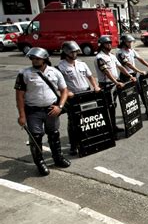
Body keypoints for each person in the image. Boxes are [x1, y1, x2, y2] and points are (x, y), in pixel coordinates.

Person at [14, 47, 71, 176]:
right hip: (33, 111)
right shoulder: (24, 74)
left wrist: (60, 107)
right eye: (32, 58)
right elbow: (19, 96)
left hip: (52, 109)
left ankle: (58, 158)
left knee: (54, 134)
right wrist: (21, 116)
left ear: (45, 58)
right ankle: (40, 163)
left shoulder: (55, 72)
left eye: (37, 58)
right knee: (36, 137)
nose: (34, 61)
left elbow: (64, 91)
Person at [57, 41, 101, 155]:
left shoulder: (82, 64)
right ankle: (74, 145)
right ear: (66, 52)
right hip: (73, 97)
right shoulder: (60, 67)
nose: (75, 54)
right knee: (73, 121)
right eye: (72, 52)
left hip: (86, 93)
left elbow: (90, 77)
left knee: (89, 118)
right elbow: (58, 85)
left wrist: (95, 86)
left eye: (76, 51)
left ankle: (88, 139)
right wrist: (68, 92)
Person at [95, 35, 136, 136]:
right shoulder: (100, 57)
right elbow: (106, 72)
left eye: (110, 43)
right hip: (106, 85)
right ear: (101, 45)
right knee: (109, 107)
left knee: (113, 106)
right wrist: (116, 82)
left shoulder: (112, 56)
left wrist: (130, 75)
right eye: (106, 43)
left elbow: (121, 67)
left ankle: (113, 127)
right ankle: (110, 130)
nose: (109, 45)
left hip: (114, 83)